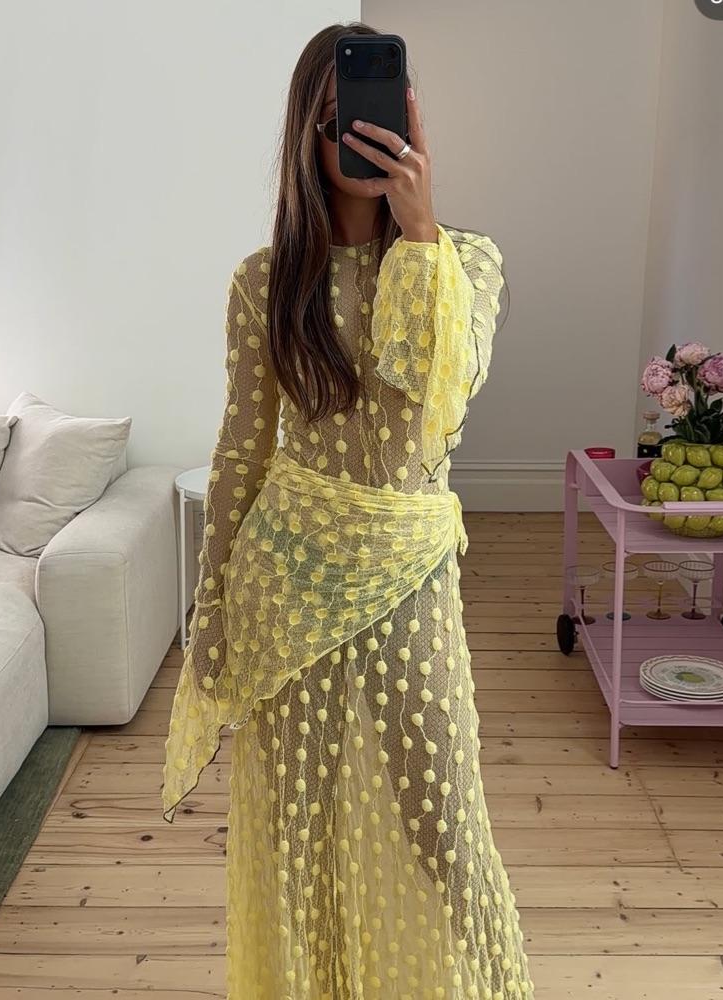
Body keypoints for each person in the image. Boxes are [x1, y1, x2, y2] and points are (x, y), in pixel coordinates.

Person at [163, 20, 535, 1000]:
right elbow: (241, 454)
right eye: (335, 120)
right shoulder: (264, 282)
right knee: (300, 840)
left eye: (376, 114)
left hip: (409, 580)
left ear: (411, 120)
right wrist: (211, 612)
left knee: (445, 831)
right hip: (286, 589)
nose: (358, 136)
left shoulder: (468, 262)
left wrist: (421, 231)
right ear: (306, 136)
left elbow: (439, 395)